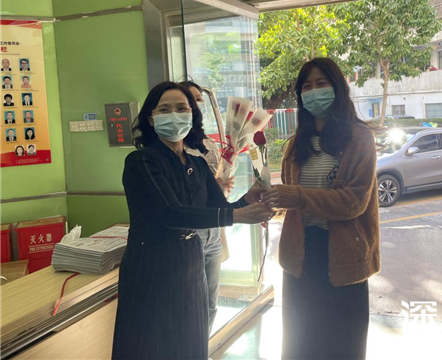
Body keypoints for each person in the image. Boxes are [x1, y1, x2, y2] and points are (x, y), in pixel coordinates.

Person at [112, 81, 273, 360]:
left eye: (181, 108)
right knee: (151, 347)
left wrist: (247, 199)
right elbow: (168, 213)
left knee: (190, 344)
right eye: (164, 109)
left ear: (192, 115)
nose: (174, 114)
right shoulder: (142, 162)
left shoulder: (197, 163)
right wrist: (236, 215)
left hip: (190, 265)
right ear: (151, 118)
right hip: (152, 269)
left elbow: (221, 208)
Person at [263, 58, 380, 360]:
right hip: (301, 255)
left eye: (321, 84)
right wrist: (269, 202)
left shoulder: (359, 138)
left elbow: (354, 202)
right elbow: (292, 200)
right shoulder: (296, 144)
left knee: (343, 346)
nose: (314, 92)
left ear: (337, 88)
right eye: (307, 86)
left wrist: (296, 196)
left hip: (344, 254)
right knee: (300, 344)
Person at [180, 80, 232, 334]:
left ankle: (203, 347)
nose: (197, 104)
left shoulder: (208, 144)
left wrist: (222, 186)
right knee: (191, 304)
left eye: (198, 99)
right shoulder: (177, 147)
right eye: (190, 100)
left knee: (211, 304)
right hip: (192, 234)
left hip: (214, 232)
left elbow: (214, 190)